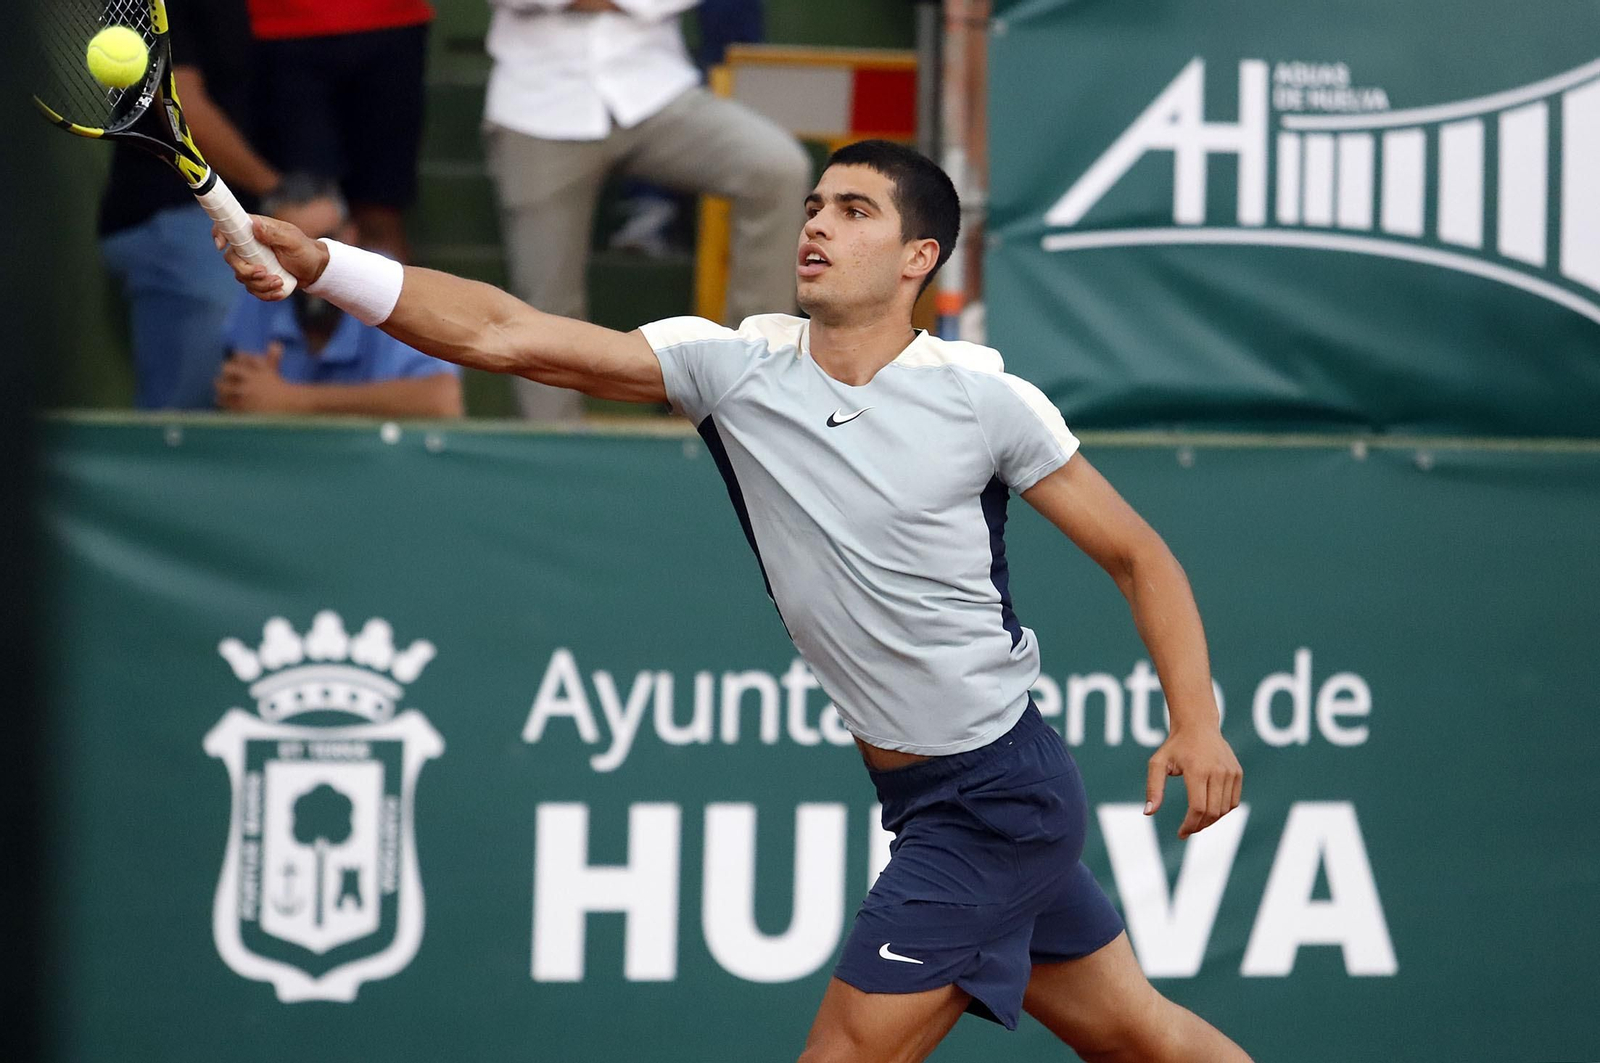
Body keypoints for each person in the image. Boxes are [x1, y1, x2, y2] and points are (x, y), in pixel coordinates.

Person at [218, 140, 1252, 1063]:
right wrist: (329, 267)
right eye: (813, 205)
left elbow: (1138, 553)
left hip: (995, 799)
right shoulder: (736, 368)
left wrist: (1195, 721)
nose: (817, 224)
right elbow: (504, 334)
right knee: (1135, 1033)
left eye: (854, 211)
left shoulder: (985, 399)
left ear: (916, 260)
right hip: (929, 795)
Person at [483, 0, 811, 421]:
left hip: (657, 90)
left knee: (777, 169)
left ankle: (746, 396)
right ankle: (556, 456)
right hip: (536, 105)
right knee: (544, 303)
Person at [99, 0, 342, 410]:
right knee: (192, 397)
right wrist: (281, 193)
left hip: (248, 215)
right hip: (166, 214)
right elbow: (182, 107)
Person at [215, 210, 462, 418]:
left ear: (351, 235)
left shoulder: (383, 278)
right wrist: (239, 393)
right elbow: (245, 396)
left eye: (324, 240)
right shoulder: (261, 283)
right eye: (285, 248)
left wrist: (294, 400)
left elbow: (443, 400)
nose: (303, 255)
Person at [249, 0, 435, 261]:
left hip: (392, 22)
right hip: (278, 29)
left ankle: (388, 297)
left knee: (381, 213)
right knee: (306, 210)